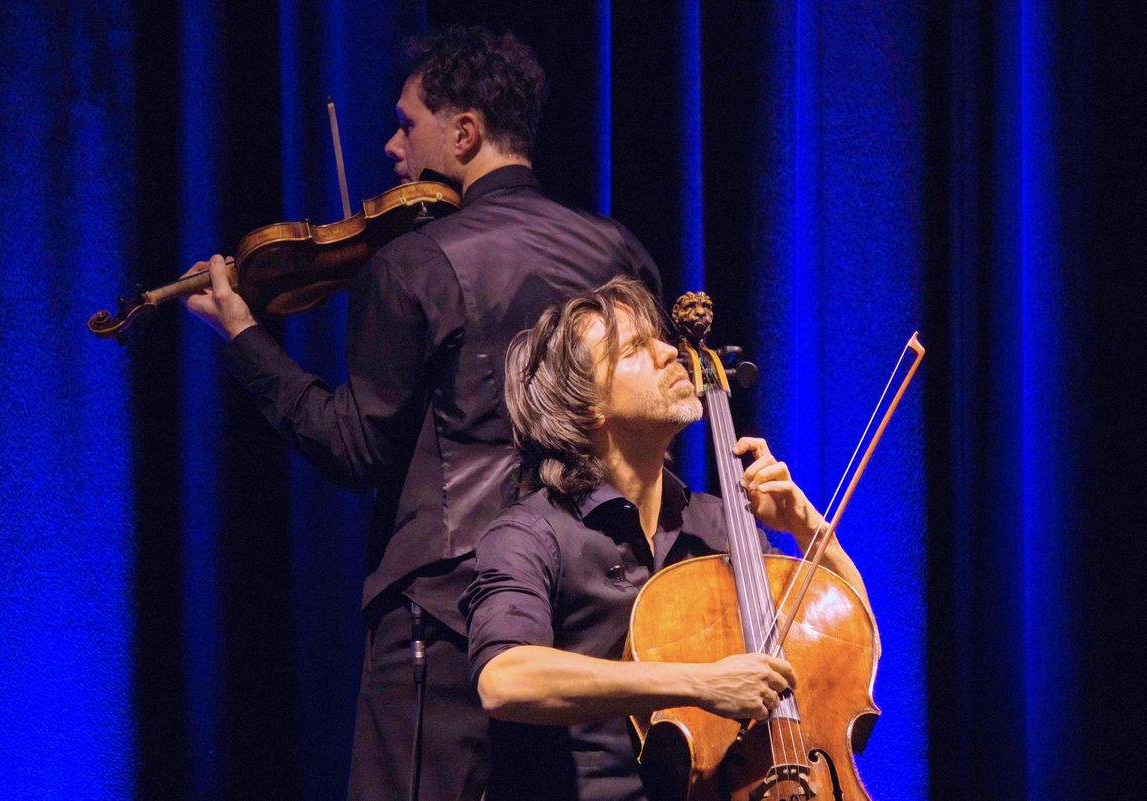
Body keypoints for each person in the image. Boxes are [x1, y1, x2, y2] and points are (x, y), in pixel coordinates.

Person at [182, 26, 662, 801]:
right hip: (598, 602)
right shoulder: (620, 252)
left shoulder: (415, 262)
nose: (391, 146)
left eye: (408, 125)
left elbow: (353, 447)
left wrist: (245, 339)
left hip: (448, 609)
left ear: (464, 132)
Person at [463, 277, 871, 801]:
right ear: (588, 407)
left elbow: (842, 651)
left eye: (658, 338)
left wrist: (809, 529)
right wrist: (699, 683)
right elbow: (504, 679)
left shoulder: (720, 525)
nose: (668, 351)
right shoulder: (531, 533)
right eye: (634, 348)